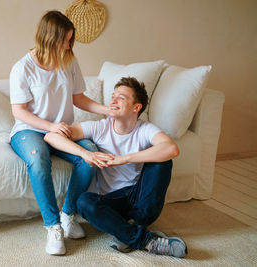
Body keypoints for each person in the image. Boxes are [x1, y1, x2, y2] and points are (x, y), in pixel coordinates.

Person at [44, 77, 188, 258]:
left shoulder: (145, 129)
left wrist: (125, 159)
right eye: (113, 96)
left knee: (163, 160)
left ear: (137, 107)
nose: (113, 100)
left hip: (140, 199)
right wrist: (85, 153)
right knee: (83, 202)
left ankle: (129, 231)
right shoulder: (100, 127)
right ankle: (144, 239)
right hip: (112, 202)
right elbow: (51, 137)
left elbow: (171, 149)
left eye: (121, 97)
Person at [9, 10, 111, 255]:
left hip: (63, 130)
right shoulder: (22, 68)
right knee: (38, 160)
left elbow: (79, 98)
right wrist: (50, 126)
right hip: (29, 130)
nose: (69, 45)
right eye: (66, 40)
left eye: (70, 39)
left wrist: (107, 110)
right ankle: (53, 227)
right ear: (49, 38)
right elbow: (19, 111)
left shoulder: (69, 59)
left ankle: (68, 215)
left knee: (91, 157)